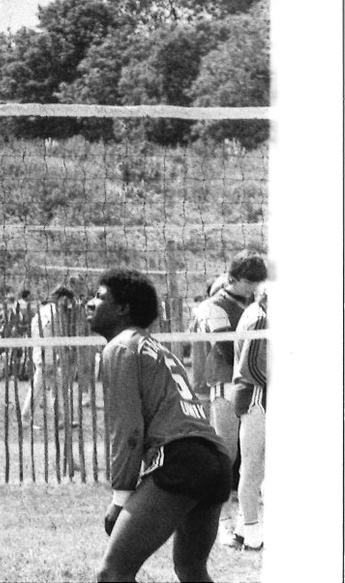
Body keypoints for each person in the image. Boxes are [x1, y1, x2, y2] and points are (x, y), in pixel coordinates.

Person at [86, 268, 232, 583]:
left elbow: (128, 433)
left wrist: (120, 498)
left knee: (112, 574)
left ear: (123, 308)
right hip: (215, 460)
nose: (89, 304)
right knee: (191, 570)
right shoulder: (156, 348)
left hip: (182, 458)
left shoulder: (123, 346)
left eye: (98, 298)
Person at [197, 249, 267, 546]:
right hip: (225, 384)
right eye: (249, 282)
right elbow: (227, 347)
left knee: (252, 459)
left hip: (251, 386)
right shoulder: (213, 305)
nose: (253, 288)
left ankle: (244, 525)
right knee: (226, 456)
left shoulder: (256, 302)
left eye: (257, 282)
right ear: (233, 278)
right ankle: (221, 523)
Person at [230, 284, 268, 551]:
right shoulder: (260, 317)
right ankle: (253, 532)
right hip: (255, 397)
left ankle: (243, 530)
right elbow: (250, 365)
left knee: (254, 467)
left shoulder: (256, 312)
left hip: (254, 396)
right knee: (253, 466)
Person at [21, 285, 76, 427]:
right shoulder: (55, 312)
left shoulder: (42, 311)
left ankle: (62, 419)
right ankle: (26, 418)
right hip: (48, 356)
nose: (67, 306)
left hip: (41, 353)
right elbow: (58, 333)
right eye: (67, 301)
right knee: (39, 389)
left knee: (57, 388)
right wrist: (64, 349)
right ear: (63, 298)